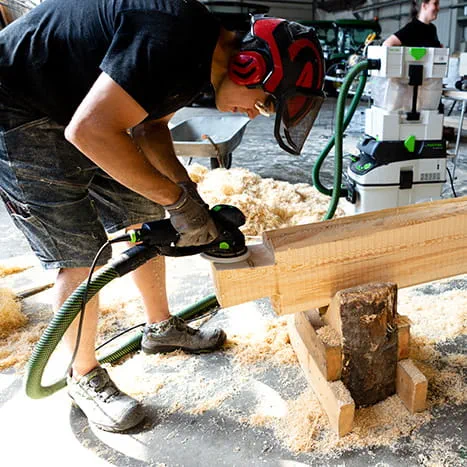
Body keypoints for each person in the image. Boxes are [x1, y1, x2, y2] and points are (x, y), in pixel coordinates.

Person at [0, 0, 324, 432]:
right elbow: (88, 131)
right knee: (77, 253)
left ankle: (160, 327)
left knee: (145, 211)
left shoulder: (199, 59)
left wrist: (185, 197)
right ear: (248, 66)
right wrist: (178, 201)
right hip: (18, 104)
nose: (256, 113)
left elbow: (149, 127)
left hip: (78, 104)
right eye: (264, 103)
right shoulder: (171, 41)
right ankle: (83, 375)